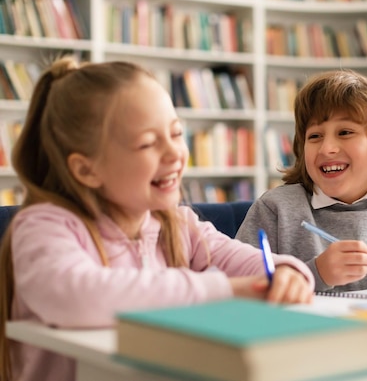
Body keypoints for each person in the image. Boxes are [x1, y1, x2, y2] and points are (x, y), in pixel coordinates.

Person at [0, 57, 314, 381]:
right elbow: (74, 298)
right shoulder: (43, 227)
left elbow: (253, 263)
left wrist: (288, 273)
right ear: (86, 169)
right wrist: (226, 289)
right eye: (148, 143)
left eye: (177, 134)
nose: (175, 153)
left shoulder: (179, 225)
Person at [236, 69, 367, 292]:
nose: (327, 148)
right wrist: (316, 273)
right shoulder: (275, 209)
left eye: (345, 132)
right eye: (314, 136)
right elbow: (238, 288)